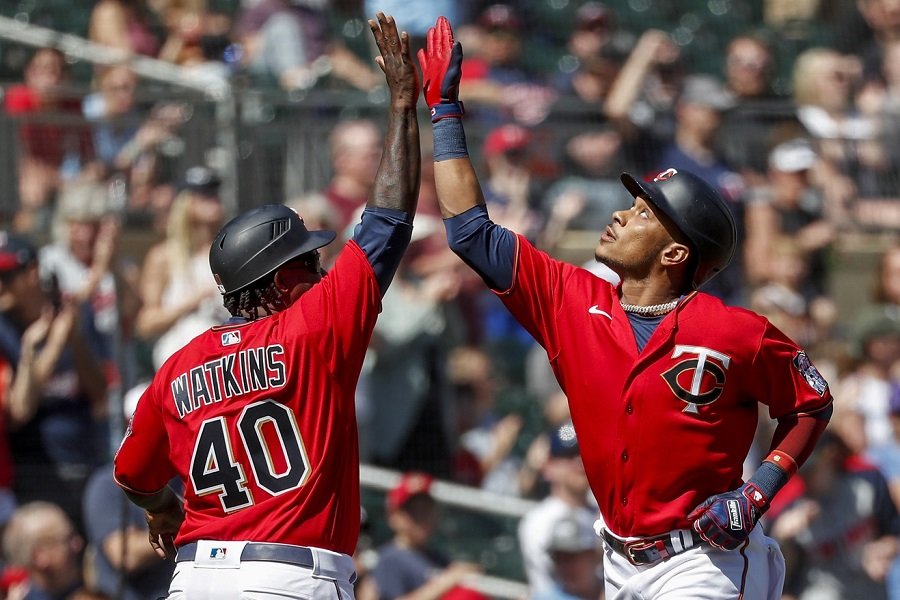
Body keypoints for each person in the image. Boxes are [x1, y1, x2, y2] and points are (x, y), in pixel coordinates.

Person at [418, 16, 833, 598]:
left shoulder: (737, 330)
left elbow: (812, 402)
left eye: (643, 213)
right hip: (617, 561)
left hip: (705, 561)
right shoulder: (570, 301)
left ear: (676, 251)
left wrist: (758, 490)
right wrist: (445, 116)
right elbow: (470, 234)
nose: (620, 214)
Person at [112, 12, 421, 600]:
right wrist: (403, 106)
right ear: (276, 282)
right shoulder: (314, 327)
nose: (321, 269)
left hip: (196, 578)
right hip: (288, 577)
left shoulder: (180, 364)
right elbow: (388, 222)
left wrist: (160, 510)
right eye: (307, 262)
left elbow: (131, 473)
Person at [365, 472, 481, 600]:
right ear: (394, 516)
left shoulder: (439, 558)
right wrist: (448, 580)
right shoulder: (389, 558)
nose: (423, 517)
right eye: (414, 511)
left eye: (427, 509)